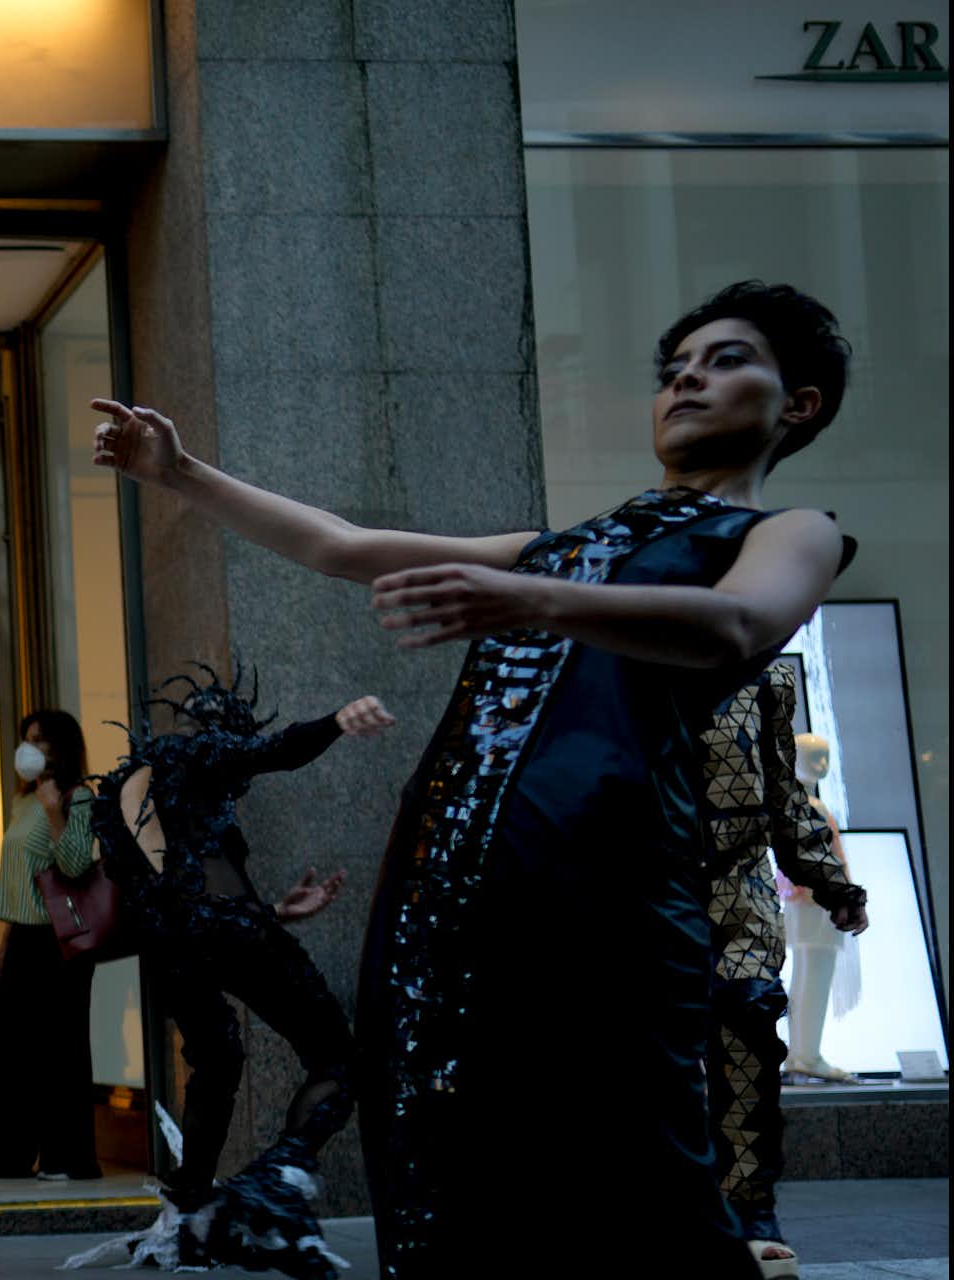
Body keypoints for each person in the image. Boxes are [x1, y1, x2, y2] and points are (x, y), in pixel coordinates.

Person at [91, 280, 856, 1278]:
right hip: (446, 901)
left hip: (614, 896)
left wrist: (528, 594)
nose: (686, 382)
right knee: (454, 1183)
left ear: (796, 403)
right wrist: (182, 472)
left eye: (725, 361)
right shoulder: (566, 547)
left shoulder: (787, 528)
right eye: (674, 369)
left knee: (655, 1186)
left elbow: (743, 624)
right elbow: (341, 545)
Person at [64, 668, 393, 1279]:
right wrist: (338, 722)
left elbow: (172, 887)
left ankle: (189, 1220)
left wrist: (276, 908)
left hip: (177, 946)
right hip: (229, 933)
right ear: (221, 730)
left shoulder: (136, 786)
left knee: (217, 1063)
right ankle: (273, 1184)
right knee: (339, 1060)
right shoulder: (197, 750)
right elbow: (273, 751)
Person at [701, 661, 867, 1279]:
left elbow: (782, 790)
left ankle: (749, 1210)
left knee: (748, 1019)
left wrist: (832, 882)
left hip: (738, 885)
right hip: (646, 884)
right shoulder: (619, 652)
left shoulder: (763, 675)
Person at [0, 710, 101, 1182]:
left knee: (59, 1047)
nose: (29, 748)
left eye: (38, 740)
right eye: (26, 739)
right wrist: (8, 937)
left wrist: (57, 812)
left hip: (59, 941)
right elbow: (22, 876)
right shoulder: (22, 801)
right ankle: (6, 1150)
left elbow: (75, 866)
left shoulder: (79, 798)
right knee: (4, 1042)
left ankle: (69, 1157)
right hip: (26, 937)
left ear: (61, 747)